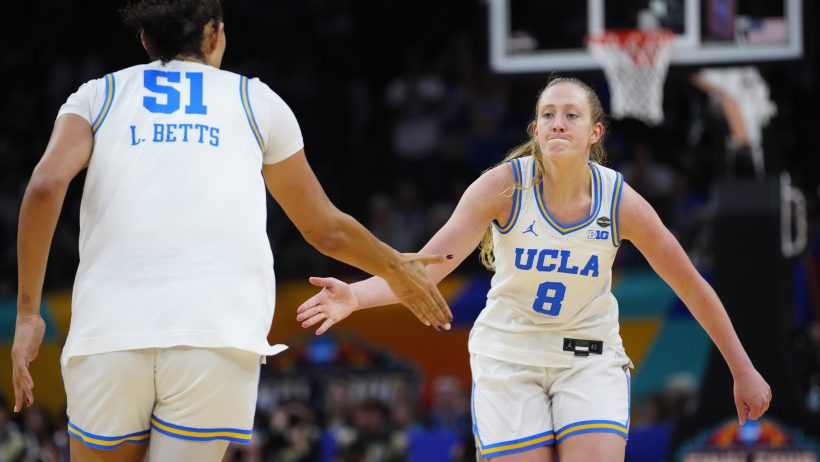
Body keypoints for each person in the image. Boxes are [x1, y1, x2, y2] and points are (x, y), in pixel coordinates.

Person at [10, 1, 451, 461]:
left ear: (144, 41)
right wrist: (396, 268)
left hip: (109, 329)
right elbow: (325, 230)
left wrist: (28, 314)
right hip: (215, 333)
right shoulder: (255, 100)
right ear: (216, 34)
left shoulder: (97, 96)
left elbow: (43, 186)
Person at [296, 77, 772, 461]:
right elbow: (426, 269)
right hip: (509, 355)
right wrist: (356, 297)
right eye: (548, 115)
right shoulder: (502, 187)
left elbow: (692, 287)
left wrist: (742, 368)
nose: (558, 123)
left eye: (571, 115)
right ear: (535, 131)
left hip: (589, 356)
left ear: (594, 133)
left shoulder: (621, 202)